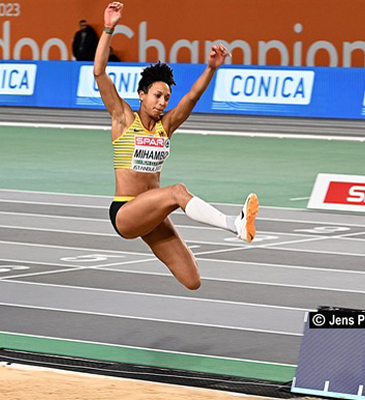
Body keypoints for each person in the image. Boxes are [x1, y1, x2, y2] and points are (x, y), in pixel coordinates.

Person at [94, 2, 259, 291]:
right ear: (142, 94)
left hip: (152, 213)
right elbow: (99, 72)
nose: (162, 103)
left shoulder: (166, 126)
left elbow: (192, 98)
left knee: (192, 279)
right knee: (177, 191)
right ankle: (235, 224)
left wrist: (211, 68)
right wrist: (109, 27)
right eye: (157, 95)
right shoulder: (123, 118)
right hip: (125, 212)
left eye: (166, 98)